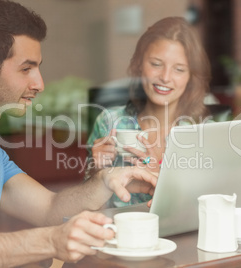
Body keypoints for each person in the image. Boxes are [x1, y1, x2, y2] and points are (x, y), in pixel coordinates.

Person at [0, 0, 157, 266]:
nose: (40, 84)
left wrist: (106, 180)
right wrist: (50, 241)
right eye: (26, 68)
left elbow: (50, 208)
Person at [86, 17, 212, 208]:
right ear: (139, 65)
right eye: (156, 64)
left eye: (179, 69)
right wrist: (97, 171)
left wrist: (161, 180)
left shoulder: (204, 132)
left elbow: (211, 205)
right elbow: (88, 207)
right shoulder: (110, 121)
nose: (165, 77)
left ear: (191, 78)